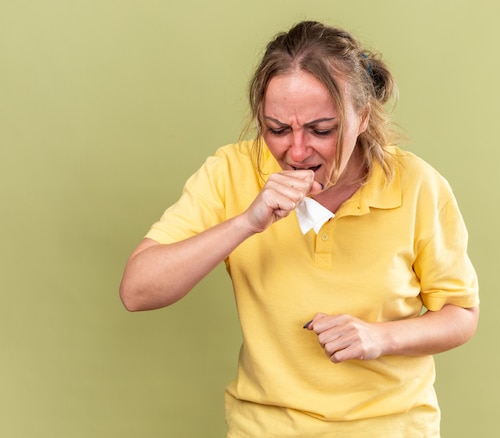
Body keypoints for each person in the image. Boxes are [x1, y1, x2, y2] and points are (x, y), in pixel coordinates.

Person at [120, 20, 479, 438]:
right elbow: (136, 290)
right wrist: (246, 222)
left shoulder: (418, 185)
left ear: (361, 117)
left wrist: (379, 338)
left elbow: (460, 315)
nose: (297, 150)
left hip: (391, 428)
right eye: (276, 129)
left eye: (321, 130)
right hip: (265, 427)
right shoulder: (231, 171)